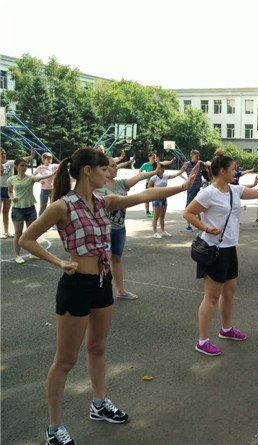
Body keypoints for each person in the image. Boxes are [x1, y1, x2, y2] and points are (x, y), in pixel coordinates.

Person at [19, 147, 199, 445]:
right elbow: (27, 238)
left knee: (98, 348)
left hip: (102, 282)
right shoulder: (62, 206)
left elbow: (142, 196)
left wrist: (182, 187)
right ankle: (54, 428)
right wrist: (59, 262)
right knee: (65, 360)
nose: (109, 173)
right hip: (75, 286)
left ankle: (99, 404)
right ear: (88, 170)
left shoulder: (104, 201)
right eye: (105, 168)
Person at [183, 153, 258, 356]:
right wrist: (206, 228)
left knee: (229, 292)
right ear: (222, 171)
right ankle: (202, 340)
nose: (236, 172)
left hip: (229, 248)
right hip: (213, 249)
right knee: (211, 297)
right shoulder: (208, 193)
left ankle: (226, 329)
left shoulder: (234, 190)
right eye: (233, 169)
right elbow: (188, 213)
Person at [95, 157, 160, 300]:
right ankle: (98, 293)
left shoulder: (121, 184)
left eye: (116, 165)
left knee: (116, 259)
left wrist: (155, 171)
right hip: (103, 230)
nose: (116, 168)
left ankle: (120, 290)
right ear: (103, 168)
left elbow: (140, 176)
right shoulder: (96, 187)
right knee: (101, 262)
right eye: (113, 166)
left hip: (119, 228)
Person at [7, 157, 57, 263]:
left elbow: (40, 177)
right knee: (18, 233)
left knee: (32, 233)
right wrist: (12, 198)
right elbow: (10, 191)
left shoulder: (30, 178)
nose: (24, 168)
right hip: (17, 209)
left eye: (25, 165)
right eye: (22, 165)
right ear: (16, 166)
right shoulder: (11, 179)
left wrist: (52, 174)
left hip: (30, 208)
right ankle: (18, 255)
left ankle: (32, 253)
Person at [1, 147, 34, 238]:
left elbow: (22, 160)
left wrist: (31, 156)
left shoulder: (10, 162)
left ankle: (6, 232)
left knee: (6, 212)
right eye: (1, 154)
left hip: (7, 188)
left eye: (4, 153)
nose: (4, 155)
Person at [148, 162, 184, 238]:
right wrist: (157, 191)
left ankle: (163, 231)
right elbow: (149, 186)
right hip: (156, 198)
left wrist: (183, 170)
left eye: (163, 168)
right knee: (156, 216)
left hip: (164, 198)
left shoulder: (165, 176)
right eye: (162, 168)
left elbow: (175, 175)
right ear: (157, 169)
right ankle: (155, 232)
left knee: (162, 216)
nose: (163, 169)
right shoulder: (154, 177)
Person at [181, 150, 206, 232]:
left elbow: (208, 165)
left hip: (199, 188)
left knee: (199, 207)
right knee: (189, 207)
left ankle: (200, 225)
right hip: (191, 188)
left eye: (198, 156)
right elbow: (180, 173)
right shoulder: (187, 164)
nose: (198, 157)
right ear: (191, 155)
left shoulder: (200, 163)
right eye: (196, 156)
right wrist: (187, 179)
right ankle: (188, 226)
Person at [139, 153, 157, 217]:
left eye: (155, 157)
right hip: (149, 182)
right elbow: (140, 171)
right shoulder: (146, 164)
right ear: (149, 157)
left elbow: (164, 163)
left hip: (156, 183)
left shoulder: (157, 164)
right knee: (147, 198)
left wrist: (171, 161)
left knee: (155, 198)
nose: (154, 159)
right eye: (153, 157)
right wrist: (144, 175)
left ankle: (154, 211)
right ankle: (147, 211)